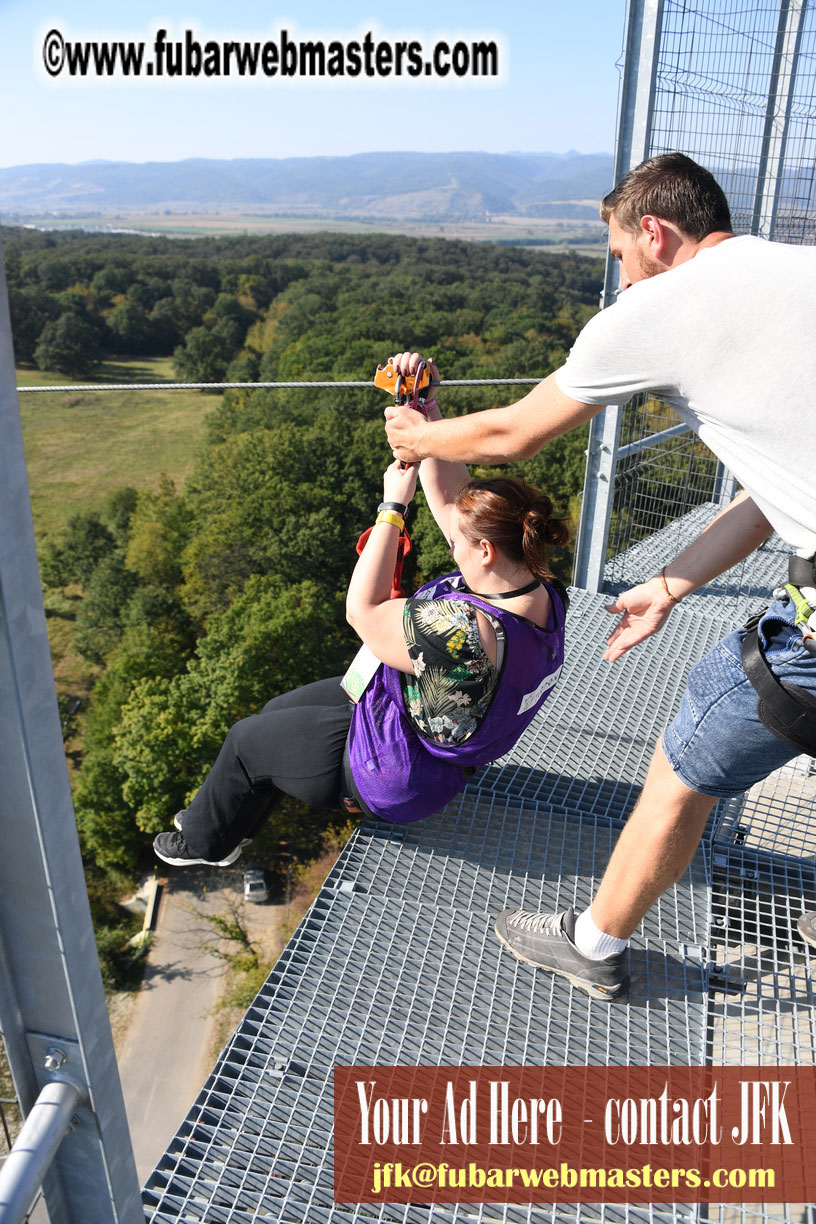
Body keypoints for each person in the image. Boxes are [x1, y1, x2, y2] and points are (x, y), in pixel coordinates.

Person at [385, 153, 816, 1002]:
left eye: (617, 252)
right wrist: (669, 585)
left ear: (653, 233)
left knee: (688, 753)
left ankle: (593, 943)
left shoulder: (662, 304)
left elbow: (511, 435)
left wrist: (417, 438)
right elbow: (780, 491)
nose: (619, 274)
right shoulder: (796, 272)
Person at [153, 384, 569, 868]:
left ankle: (208, 846)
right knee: (274, 712)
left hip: (399, 771)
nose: (451, 544)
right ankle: (225, 817)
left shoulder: (463, 634)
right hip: (421, 717)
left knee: (246, 742)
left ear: (485, 551)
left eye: (458, 542)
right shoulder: (540, 590)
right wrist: (427, 421)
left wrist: (392, 508)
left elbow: (364, 612)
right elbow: (453, 497)